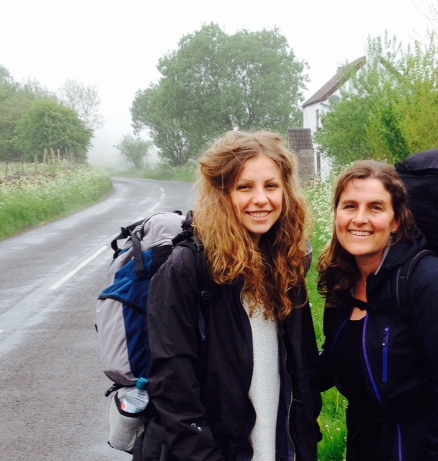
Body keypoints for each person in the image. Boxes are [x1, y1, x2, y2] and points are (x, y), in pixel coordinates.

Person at [135, 131, 322, 461]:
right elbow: (173, 386)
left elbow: (303, 369)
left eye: (271, 186)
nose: (261, 199)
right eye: (244, 187)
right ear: (222, 193)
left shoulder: (288, 264)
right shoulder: (188, 268)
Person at [317, 160, 438, 461]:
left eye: (376, 208)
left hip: (427, 444)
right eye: (350, 206)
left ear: (396, 221)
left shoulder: (430, 280)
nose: (360, 218)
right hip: (365, 440)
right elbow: (333, 361)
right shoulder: (342, 280)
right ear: (336, 214)